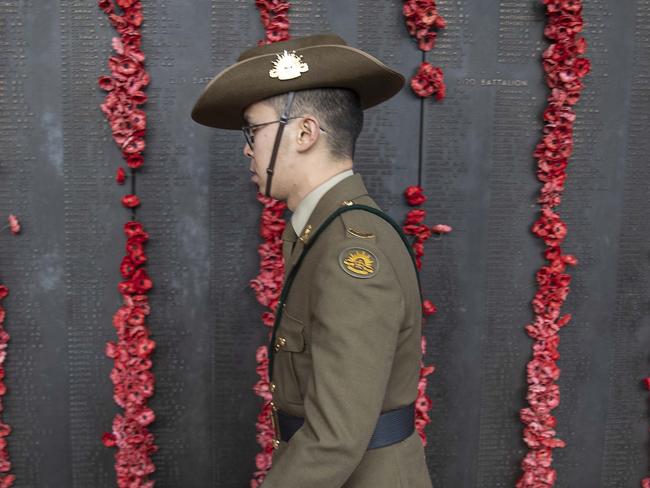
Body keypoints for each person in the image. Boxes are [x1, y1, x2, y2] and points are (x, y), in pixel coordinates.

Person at [191, 33, 432, 488]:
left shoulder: (349, 252)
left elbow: (335, 438)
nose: (247, 148)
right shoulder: (323, 233)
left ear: (304, 133)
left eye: (253, 130)